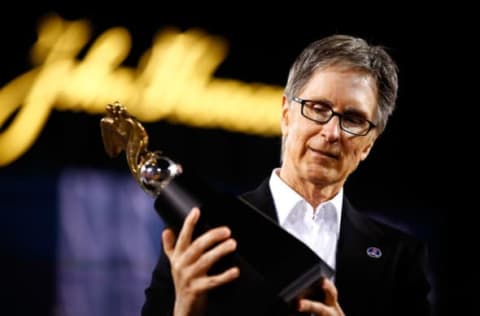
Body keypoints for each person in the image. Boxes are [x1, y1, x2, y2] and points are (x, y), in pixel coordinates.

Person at [141, 34, 432, 316]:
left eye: (353, 119)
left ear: (368, 143)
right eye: (318, 109)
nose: (331, 132)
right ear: (286, 114)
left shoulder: (400, 258)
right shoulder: (202, 234)